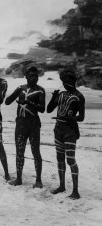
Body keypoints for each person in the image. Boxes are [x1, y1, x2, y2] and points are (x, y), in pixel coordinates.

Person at [47, 68, 85, 199]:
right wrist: (53, 97)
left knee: (70, 159)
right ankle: (62, 185)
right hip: (58, 129)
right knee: (60, 158)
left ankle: (75, 191)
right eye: (63, 81)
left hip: (70, 131)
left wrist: (70, 118)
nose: (64, 83)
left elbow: (81, 117)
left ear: (73, 81)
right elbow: (48, 109)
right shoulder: (61, 94)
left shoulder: (79, 96)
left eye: (67, 81)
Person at [5, 66, 45, 188]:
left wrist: (29, 102)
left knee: (36, 152)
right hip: (21, 123)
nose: (34, 78)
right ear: (26, 76)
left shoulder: (40, 91)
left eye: (35, 76)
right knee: (19, 152)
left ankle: (38, 180)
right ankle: (18, 178)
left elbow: (42, 109)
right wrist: (14, 95)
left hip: (33, 124)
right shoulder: (20, 88)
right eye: (31, 75)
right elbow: (7, 102)